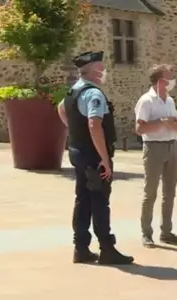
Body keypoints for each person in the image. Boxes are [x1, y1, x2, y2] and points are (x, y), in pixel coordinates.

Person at [57, 51, 134, 265]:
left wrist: (75, 131)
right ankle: (107, 249)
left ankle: (81, 248)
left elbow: (61, 109)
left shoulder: (73, 91)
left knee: (82, 200)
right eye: (101, 68)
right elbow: (94, 124)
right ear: (92, 71)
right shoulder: (94, 94)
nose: (103, 72)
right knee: (100, 201)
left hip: (77, 152)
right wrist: (104, 158)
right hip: (94, 156)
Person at [134, 64, 177, 248]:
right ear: (161, 81)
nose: (173, 80)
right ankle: (146, 233)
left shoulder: (169, 101)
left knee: (169, 192)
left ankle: (166, 231)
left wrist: (172, 124)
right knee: (151, 192)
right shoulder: (146, 101)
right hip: (153, 147)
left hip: (171, 147)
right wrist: (163, 123)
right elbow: (139, 128)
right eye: (170, 76)